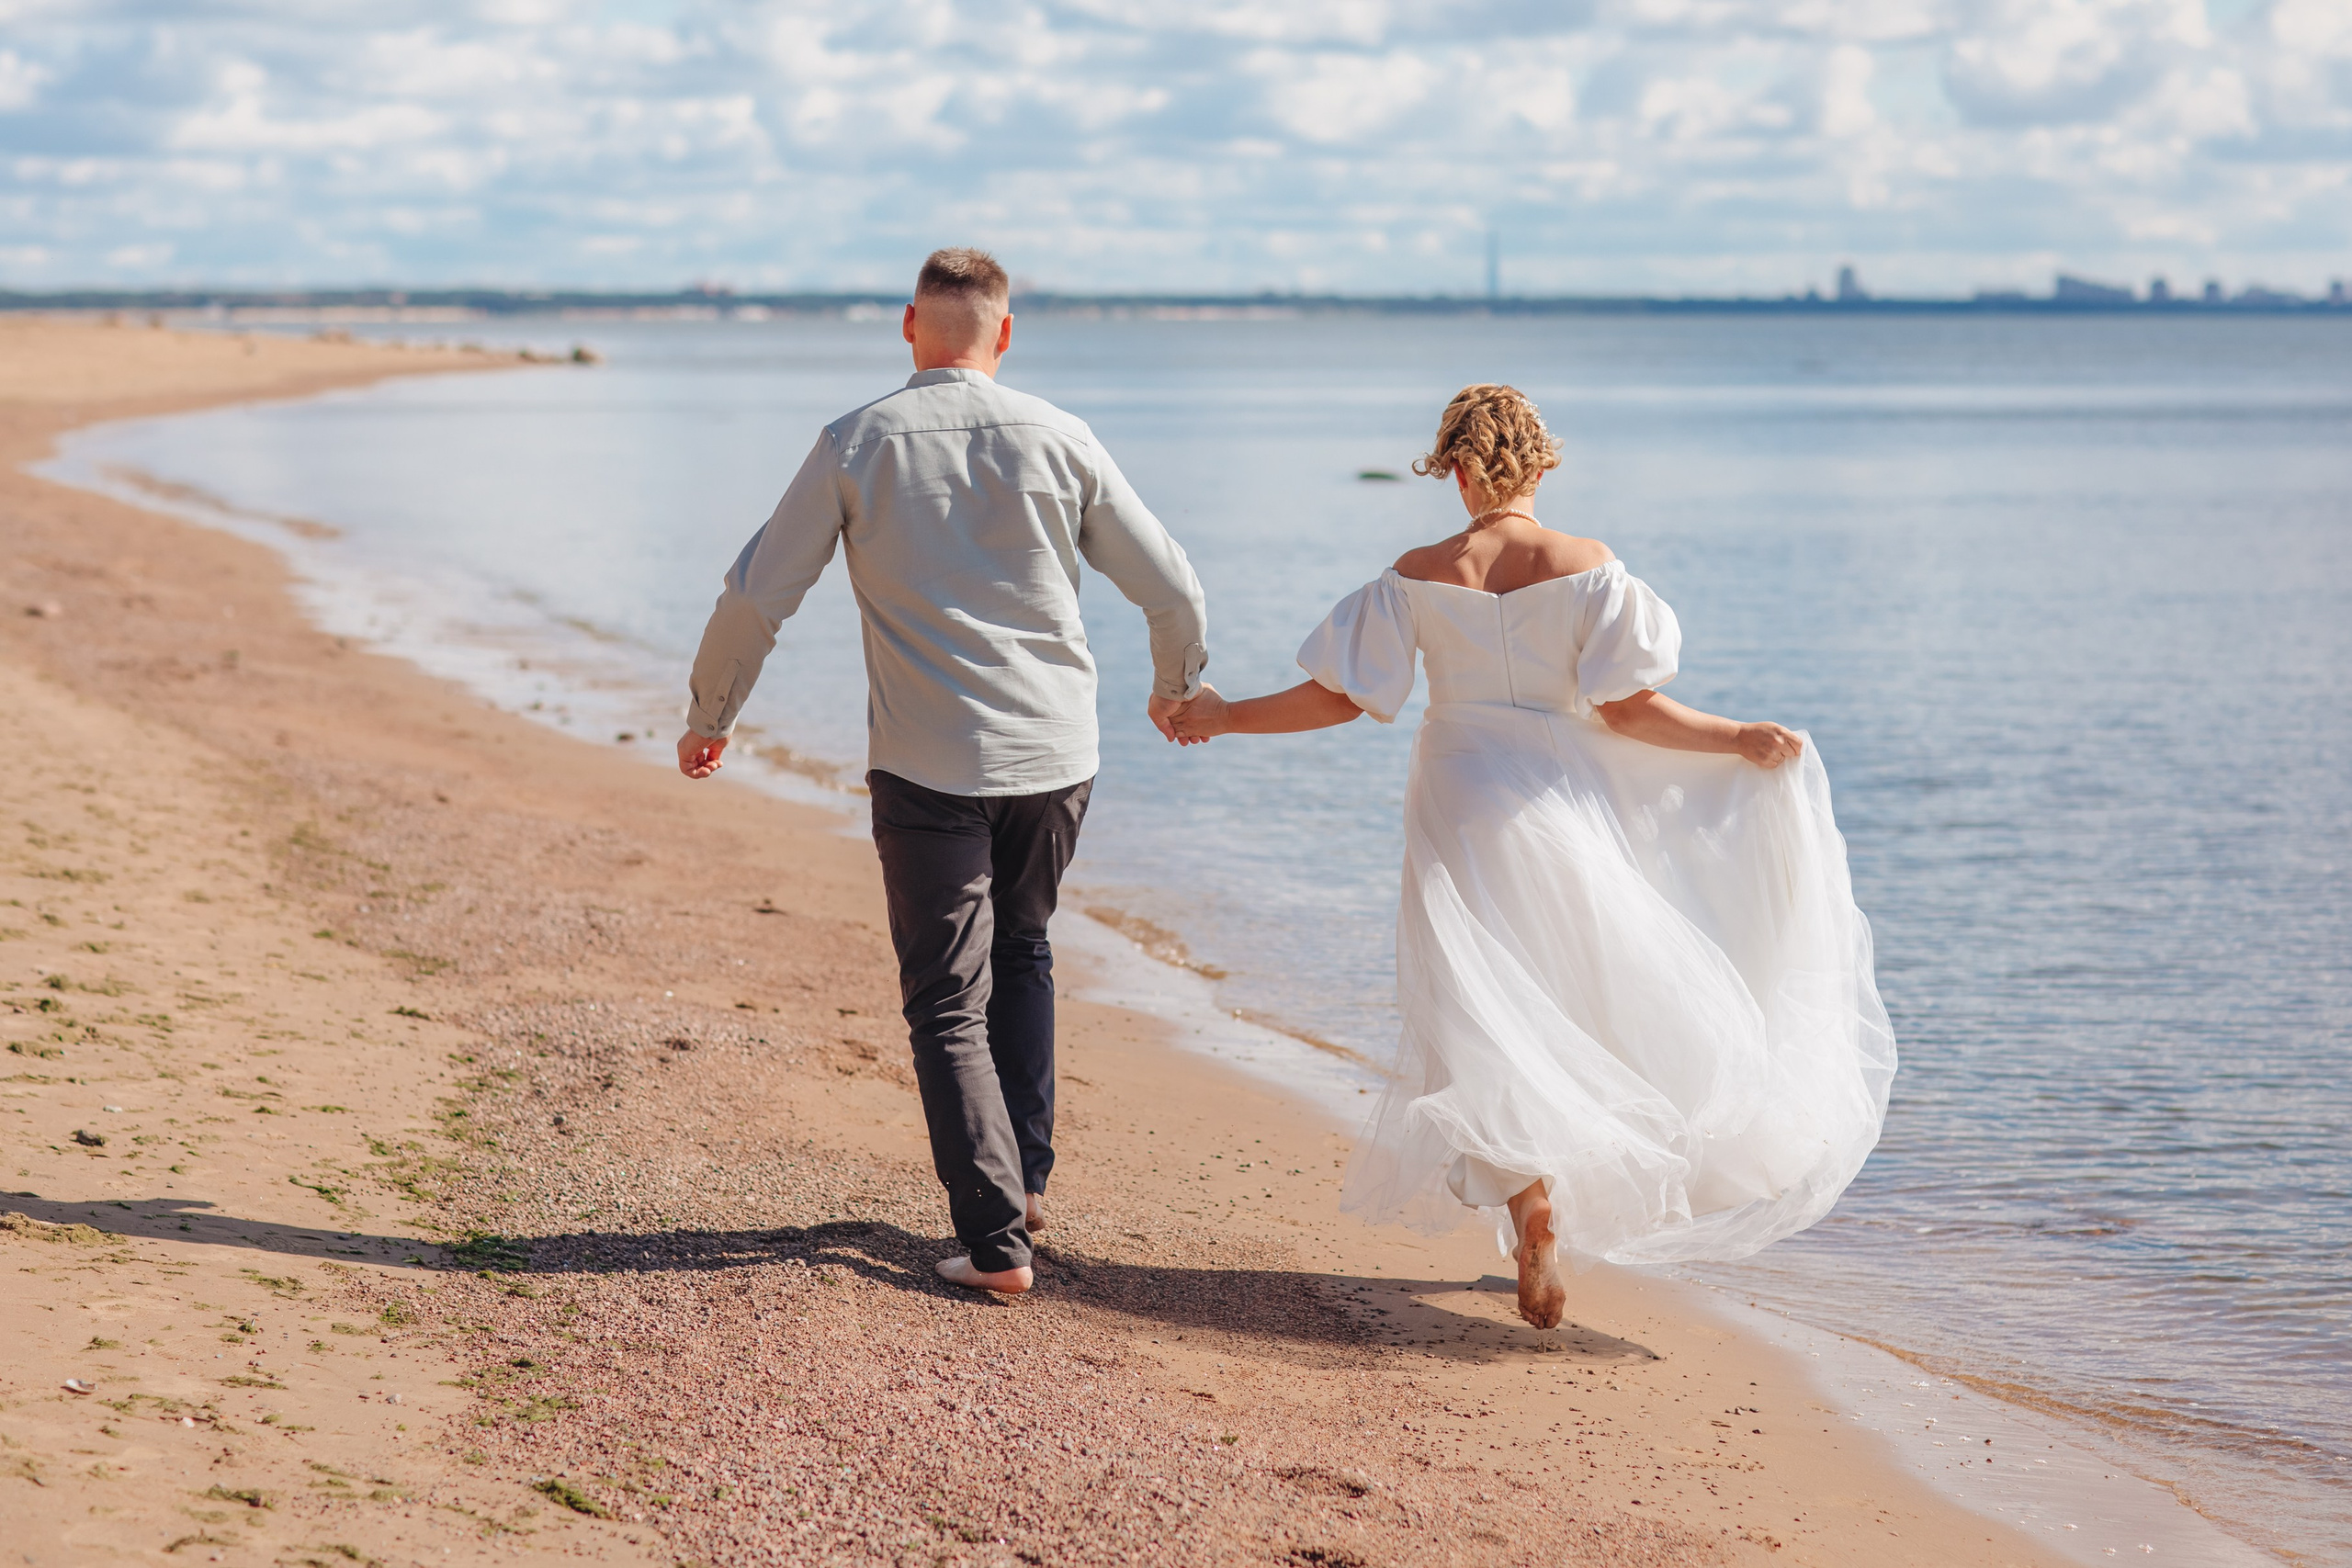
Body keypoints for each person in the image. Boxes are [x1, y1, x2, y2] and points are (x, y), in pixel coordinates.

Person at [1172, 384, 1894, 1328]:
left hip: (1458, 793)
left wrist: (1222, 718)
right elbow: (1628, 710)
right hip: (1558, 802)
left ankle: (1529, 1208)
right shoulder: (1589, 568)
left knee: (1479, 1010)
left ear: (1456, 470)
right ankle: (1561, 1197)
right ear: (1542, 466)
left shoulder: (1418, 574)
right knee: (1566, 998)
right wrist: (1735, 739)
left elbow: (1341, 698)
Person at [676, 247, 1208, 1296]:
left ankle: (998, 1242)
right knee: (1023, 949)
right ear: (1003, 335)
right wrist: (1175, 689)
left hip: (929, 759)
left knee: (945, 1001)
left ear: (909, 327)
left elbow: (755, 597)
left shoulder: (855, 440)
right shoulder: (1064, 437)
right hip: (1055, 754)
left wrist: (712, 712)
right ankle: (1026, 1185)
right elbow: (1173, 587)